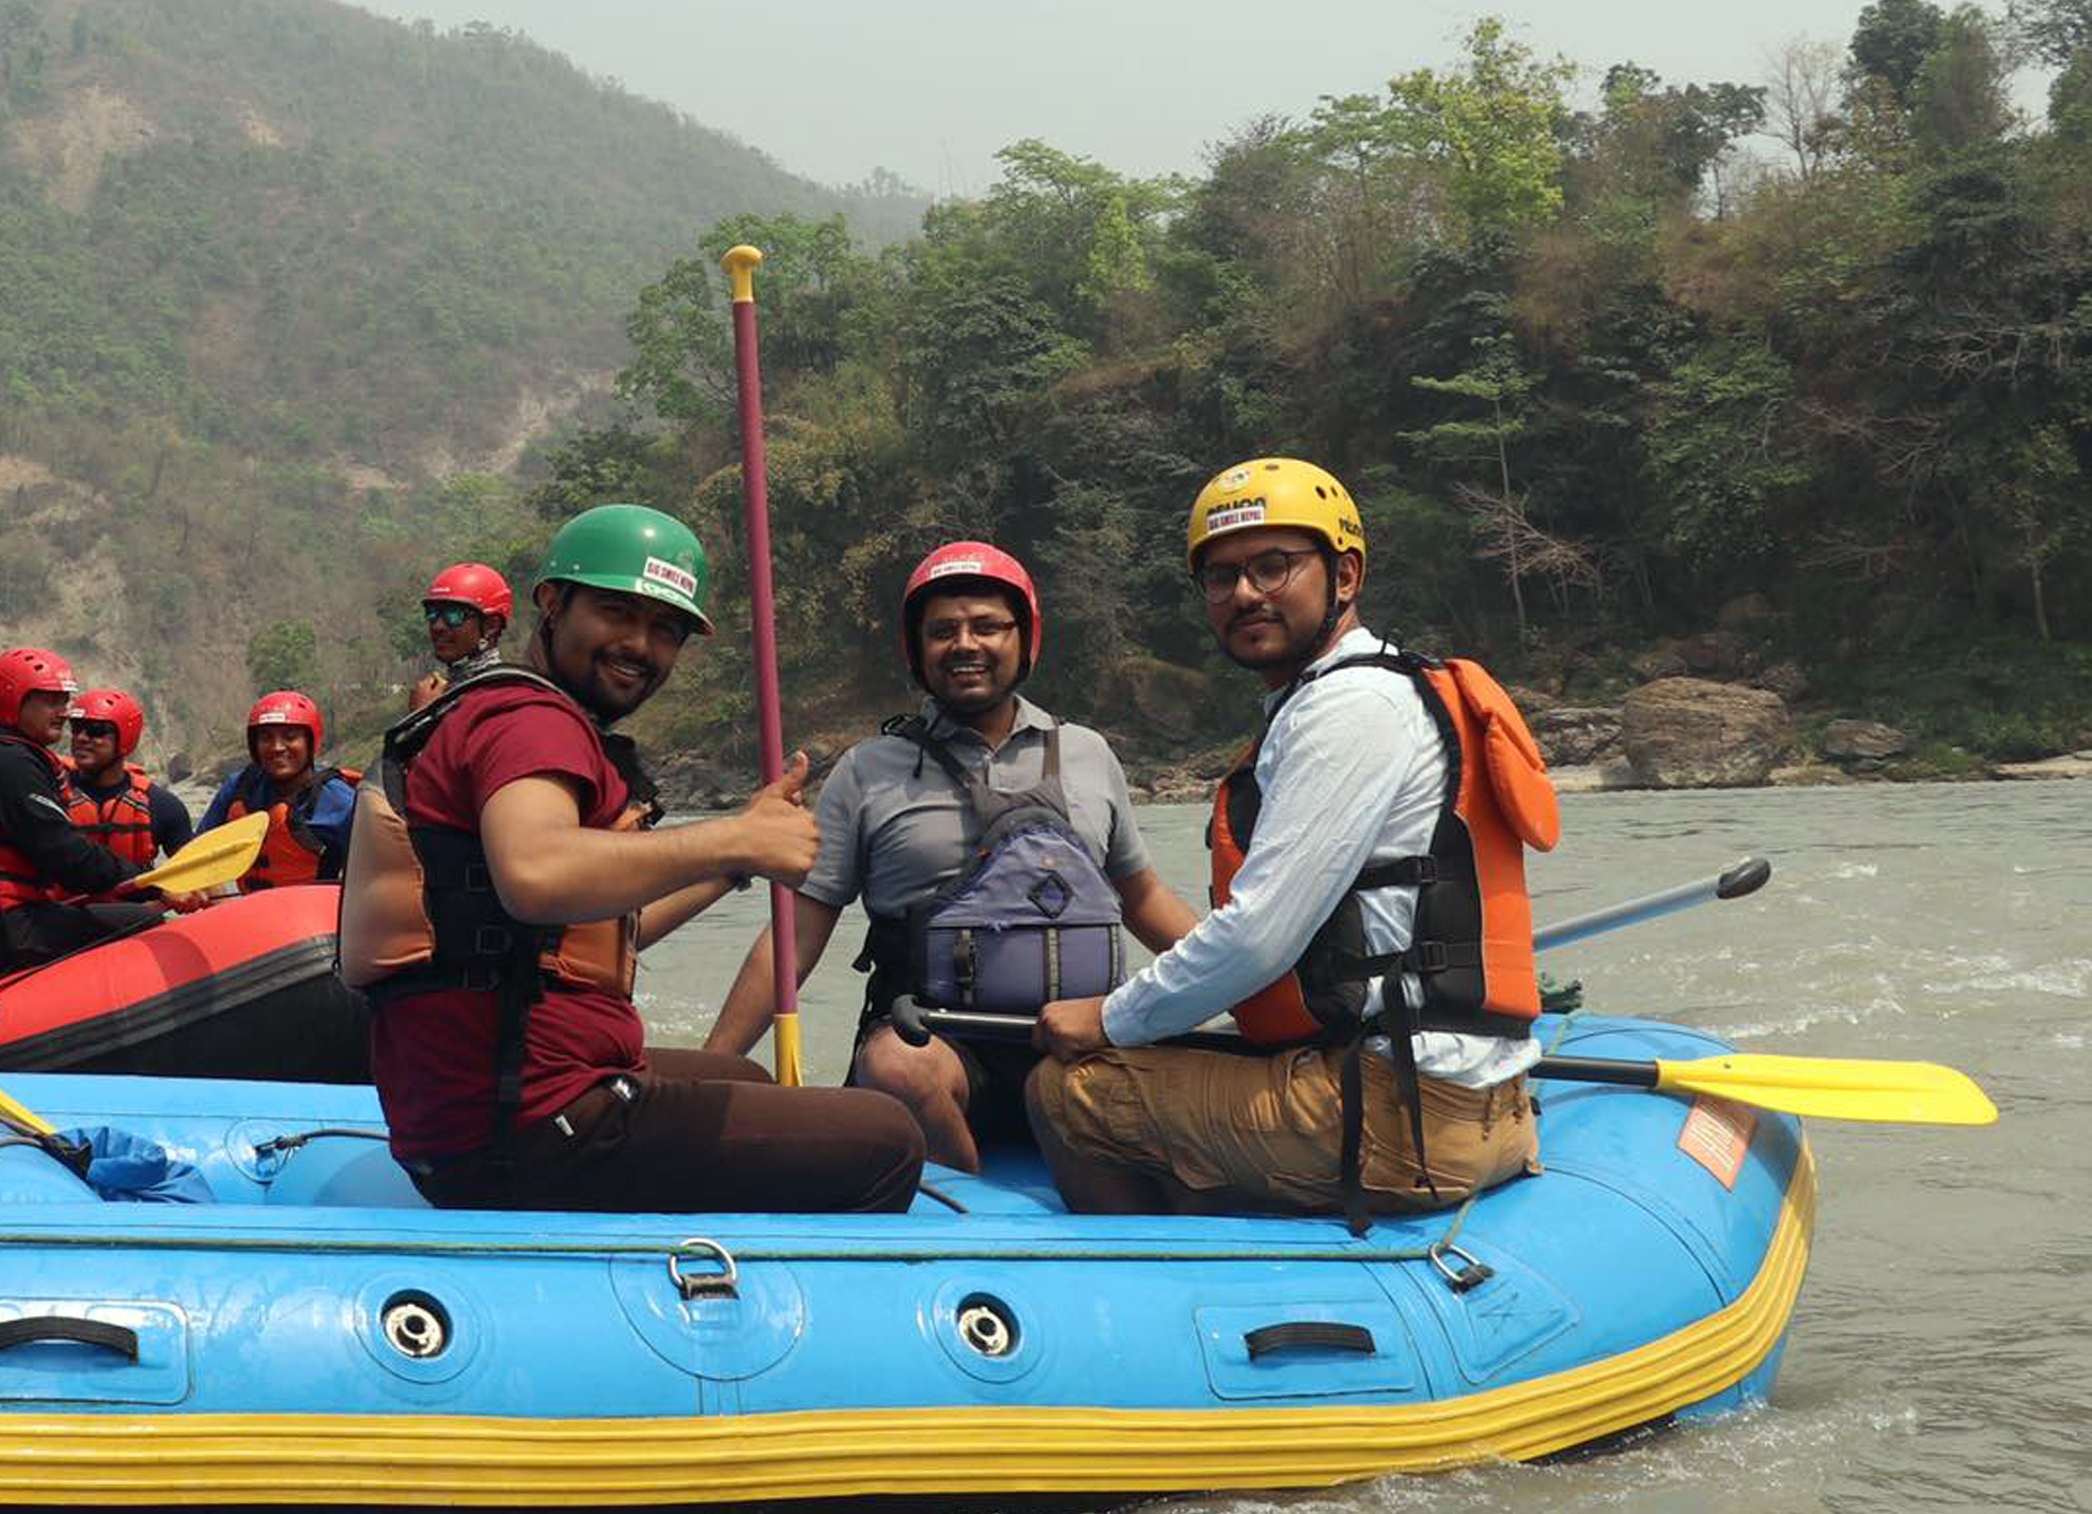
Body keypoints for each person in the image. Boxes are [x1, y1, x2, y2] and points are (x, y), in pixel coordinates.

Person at [340, 504, 927, 1213]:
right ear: (552, 604)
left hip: (474, 1114)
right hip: (532, 1128)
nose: (641, 645)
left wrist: (732, 859)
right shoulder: (532, 724)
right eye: (619, 613)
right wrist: (730, 839)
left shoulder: (510, 715)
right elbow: (538, 876)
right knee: (888, 1138)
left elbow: (610, 923)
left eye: (666, 630)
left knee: (742, 1076)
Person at [1028, 458, 1556, 1225]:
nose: (1245, 594)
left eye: (1273, 566)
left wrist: (1105, 1017)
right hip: (1472, 1102)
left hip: (1401, 1114)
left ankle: (1159, 1302)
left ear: (1344, 573)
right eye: (1221, 577)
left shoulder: (1348, 708)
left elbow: (1259, 936)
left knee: (1067, 1092)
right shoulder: (1372, 689)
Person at [705, 541, 1196, 1171]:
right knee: (898, 1065)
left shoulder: (1088, 753)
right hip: (938, 1052)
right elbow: (795, 937)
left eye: (988, 626)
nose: (965, 643)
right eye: (943, 631)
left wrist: (1253, 987)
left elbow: (1144, 900)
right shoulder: (869, 771)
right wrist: (716, 1066)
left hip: (1083, 1048)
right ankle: (967, 1209)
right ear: (918, 652)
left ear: (1026, 640)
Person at [0, 648, 167, 984]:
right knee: (140, 922)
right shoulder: (7, 763)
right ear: (12, 701)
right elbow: (66, 854)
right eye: (50, 700)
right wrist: (151, 886)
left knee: (95, 913)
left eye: (64, 700)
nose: (63, 711)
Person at [206, 692, 357, 887]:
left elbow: (377, 869)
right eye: (266, 738)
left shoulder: (340, 801)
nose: (277, 747)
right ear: (255, 745)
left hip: (314, 911)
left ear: (310, 743)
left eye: (290, 737)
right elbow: (200, 853)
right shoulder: (239, 787)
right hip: (251, 909)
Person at [62, 687, 193, 876]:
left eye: (96, 730)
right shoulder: (50, 794)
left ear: (125, 739)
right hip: (63, 905)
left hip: (136, 903)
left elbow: (196, 875)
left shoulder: (163, 806)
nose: (81, 738)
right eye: (76, 728)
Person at [407, 561, 515, 710]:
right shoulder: (448, 692)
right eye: (432, 614)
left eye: (454, 615)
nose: (438, 626)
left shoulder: (499, 697)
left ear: (491, 626)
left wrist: (422, 715)